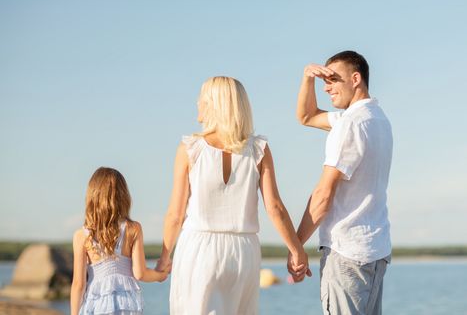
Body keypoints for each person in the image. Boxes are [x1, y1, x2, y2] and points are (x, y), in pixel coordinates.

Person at [156, 76, 310, 315]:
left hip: (199, 248)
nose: (198, 104)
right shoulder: (259, 149)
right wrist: (297, 250)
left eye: (202, 99)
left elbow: (175, 214)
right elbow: (275, 207)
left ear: (213, 103)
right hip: (244, 251)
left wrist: (165, 256)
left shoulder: (189, 149)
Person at [289, 51, 392, 314]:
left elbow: (323, 195)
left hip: (347, 253)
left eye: (333, 79)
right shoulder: (376, 118)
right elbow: (307, 116)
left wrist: (296, 245)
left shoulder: (351, 124)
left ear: (355, 79)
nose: (327, 88)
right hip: (374, 250)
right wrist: (307, 79)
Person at [70, 167, 169, 315]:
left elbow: (78, 284)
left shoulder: (82, 235)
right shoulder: (132, 228)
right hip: (127, 306)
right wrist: (160, 276)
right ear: (123, 196)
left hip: (97, 306)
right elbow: (140, 273)